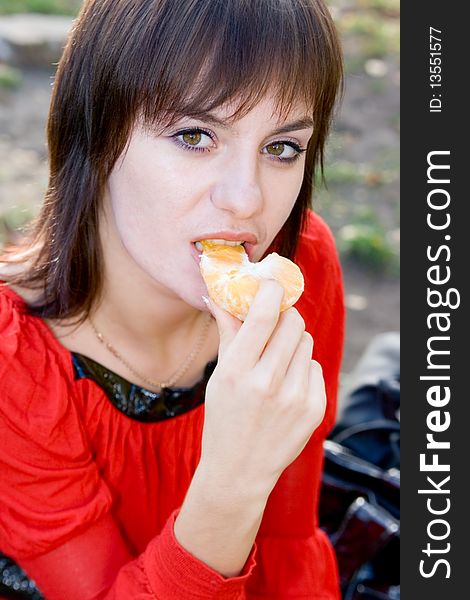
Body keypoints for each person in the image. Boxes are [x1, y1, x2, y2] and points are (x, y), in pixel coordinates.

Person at [0, 0, 344, 597]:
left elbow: (291, 541)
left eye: (282, 148)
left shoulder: (300, 268)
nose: (246, 199)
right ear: (96, 132)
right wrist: (233, 480)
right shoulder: (14, 364)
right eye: (195, 135)